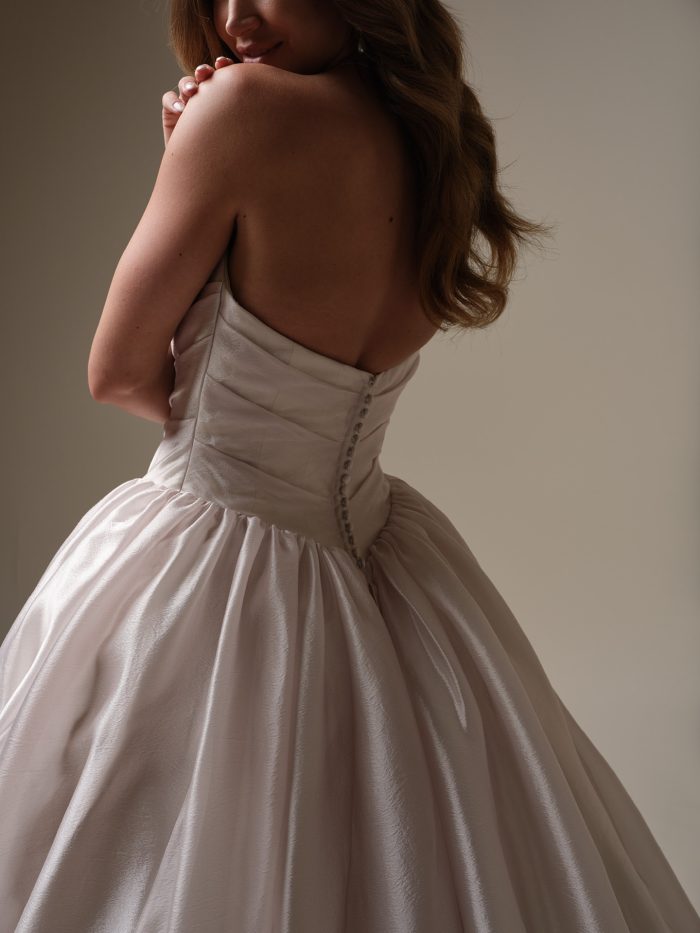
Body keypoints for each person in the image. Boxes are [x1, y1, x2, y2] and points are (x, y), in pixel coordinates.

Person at [1, 0, 698, 929]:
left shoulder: (240, 109)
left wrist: (188, 156)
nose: (236, 15)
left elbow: (116, 372)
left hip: (203, 554)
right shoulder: (440, 142)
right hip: (379, 558)